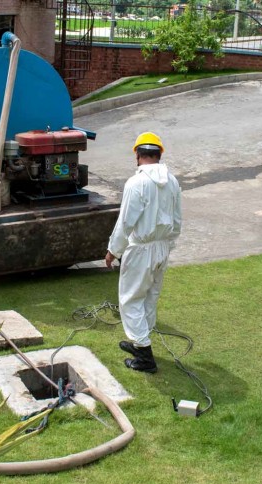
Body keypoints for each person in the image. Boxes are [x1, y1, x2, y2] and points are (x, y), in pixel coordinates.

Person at [105, 132, 182, 373]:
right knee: (149, 296)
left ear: (138, 155)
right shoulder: (172, 181)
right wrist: (168, 245)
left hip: (140, 248)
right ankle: (140, 341)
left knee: (130, 299)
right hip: (161, 247)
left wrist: (112, 250)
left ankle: (144, 356)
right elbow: (177, 219)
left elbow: (125, 222)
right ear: (159, 155)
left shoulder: (135, 183)